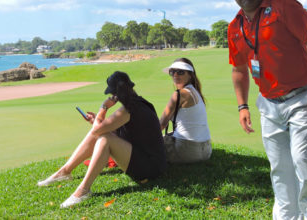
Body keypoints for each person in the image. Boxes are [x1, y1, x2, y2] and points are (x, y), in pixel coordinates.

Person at [226, 0, 307, 219]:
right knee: (280, 169)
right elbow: (239, 69)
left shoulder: (285, 7)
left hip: (303, 98)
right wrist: (242, 106)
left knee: (304, 161)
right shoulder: (235, 26)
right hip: (268, 104)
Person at [37, 71, 167, 208]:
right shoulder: (137, 104)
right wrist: (96, 122)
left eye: (113, 95)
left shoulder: (127, 110)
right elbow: (109, 130)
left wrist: (103, 108)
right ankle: (64, 172)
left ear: (117, 94)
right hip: (149, 162)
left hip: (149, 169)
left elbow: (97, 131)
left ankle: (83, 190)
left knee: (104, 138)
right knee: (102, 134)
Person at [159, 58, 212, 163]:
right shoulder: (195, 91)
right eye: (172, 72)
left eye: (180, 72)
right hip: (206, 151)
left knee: (151, 144)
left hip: (187, 152)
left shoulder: (179, 94)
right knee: (168, 134)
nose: (175, 75)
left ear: (190, 75)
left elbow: (162, 124)